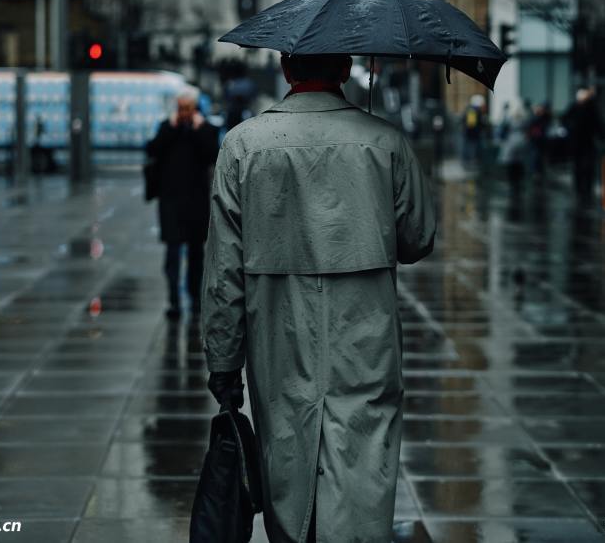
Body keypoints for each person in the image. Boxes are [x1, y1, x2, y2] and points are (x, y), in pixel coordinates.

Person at [201, 53, 436, 543]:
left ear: (287, 70)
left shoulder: (243, 146)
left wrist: (224, 363)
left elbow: (224, 274)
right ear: (346, 68)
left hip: (280, 342)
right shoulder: (386, 141)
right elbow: (417, 239)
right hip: (366, 342)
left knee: (288, 455)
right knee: (363, 465)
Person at [145, 86, 219, 319]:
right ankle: (174, 300)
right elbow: (153, 149)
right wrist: (172, 127)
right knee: (173, 253)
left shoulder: (205, 129)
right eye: (181, 108)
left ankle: (194, 297)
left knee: (197, 253)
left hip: (196, 201)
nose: (185, 112)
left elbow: (212, 154)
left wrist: (198, 129)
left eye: (188, 108)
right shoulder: (168, 127)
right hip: (171, 200)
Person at [562, 87, 603, 207]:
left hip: (585, 142)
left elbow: (598, 124)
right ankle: (581, 189)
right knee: (580, 166)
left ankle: (585, 189)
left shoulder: (589, 108)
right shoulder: (576, 108)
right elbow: (566, 120)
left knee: (586, 166)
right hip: (579, 143)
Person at [462, 94, 485, 167]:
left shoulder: (472, 110)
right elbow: (471, 124)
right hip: (472, 135)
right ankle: (471, 163)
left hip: (472, 134)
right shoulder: (473, 110)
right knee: (472, 149)